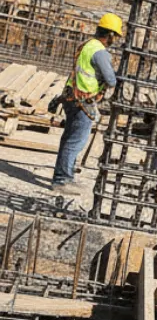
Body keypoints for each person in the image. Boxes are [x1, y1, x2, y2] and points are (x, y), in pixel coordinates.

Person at [51, 13, 123, 194]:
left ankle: (64, 177)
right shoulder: (100, 52)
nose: (115, 40)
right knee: (75, 142)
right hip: (82, 101)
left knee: (69, 139)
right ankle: (61, 181)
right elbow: (111, 80)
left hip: (71, 98)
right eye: (116, 36)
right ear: (111, 35)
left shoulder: (86, 45)